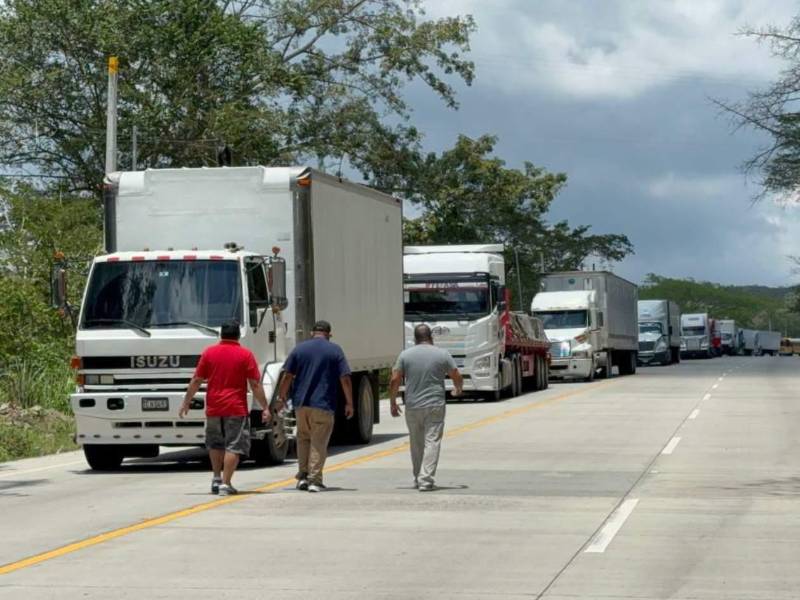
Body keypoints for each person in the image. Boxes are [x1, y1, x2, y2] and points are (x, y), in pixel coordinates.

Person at [179, 320, 270, 496]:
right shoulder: (245, 354)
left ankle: (216, 478)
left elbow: (197, 380)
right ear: (238, 335)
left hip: (214, 407)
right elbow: (255, 384)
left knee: (215, 443)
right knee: (234, 446)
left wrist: (186, 402)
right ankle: (226, 484)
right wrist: (265, 406)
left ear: (221, 334)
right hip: (235, 407)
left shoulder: (209, 353)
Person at [275, 320, 353, 492]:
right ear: (329, 334)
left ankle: (303, 476)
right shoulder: (335, 350)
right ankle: (315, 480)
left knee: (303, 438)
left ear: (312, 333)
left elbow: (287, 376)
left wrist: (281, 398)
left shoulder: (299, 349)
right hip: (323, 404)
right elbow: (345, 378)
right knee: (318, 442)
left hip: (301, 405)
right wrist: (349, 402)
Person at [389, 324, 463, 492]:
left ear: (415, 339)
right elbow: (456, 374)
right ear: (431, 337)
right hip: (435, 405)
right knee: (432, 442)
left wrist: (393, 402)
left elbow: (394, 379)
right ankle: (426, 479)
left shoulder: (405, 355)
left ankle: (418, 477)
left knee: (416, 443)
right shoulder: (442, 354)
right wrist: (458, 388)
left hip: (413, 405)